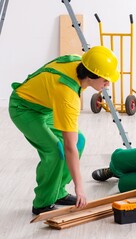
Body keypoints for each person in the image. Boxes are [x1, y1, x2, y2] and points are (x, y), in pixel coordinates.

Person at [9, 46, 120, 215]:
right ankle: (43, 202)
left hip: (46, 107)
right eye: (105, 79)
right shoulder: (67, 95)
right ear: (91, 75)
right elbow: (69, 147)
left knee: (79, 141)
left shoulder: (79, 63)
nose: (108, 83)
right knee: (56, 151)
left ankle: (58, 191)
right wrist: (80, 187)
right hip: (24, 108)